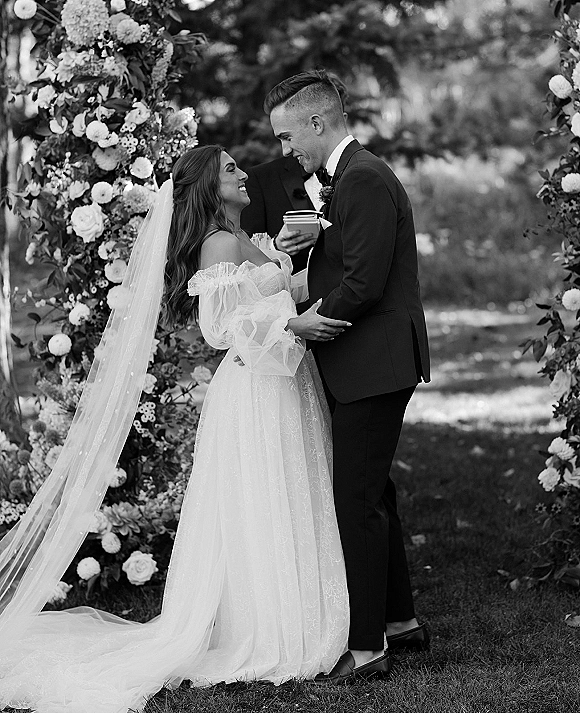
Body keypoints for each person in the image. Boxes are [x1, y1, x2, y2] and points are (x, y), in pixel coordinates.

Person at [0, 145, 352, 713]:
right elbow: (222, 328)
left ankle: (304, 614)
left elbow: (264, 297)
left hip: (284, 382)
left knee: (289, 493)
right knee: (266, 500)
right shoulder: (217, 242)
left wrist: (299, 269)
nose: (243, 174)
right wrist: (297, 322)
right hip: (257, 391)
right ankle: (277, 629)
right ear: (212, 188)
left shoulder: (245, 239)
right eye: (230, 169)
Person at [266, 70, 431, 684]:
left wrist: (308, 322)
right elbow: (351, 262)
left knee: (355, 501)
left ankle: (366, 649)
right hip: (372, 360)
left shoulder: (361, 179)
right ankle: (400, 624)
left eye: (288, 137)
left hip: (374, 362)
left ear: (318, 122)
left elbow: (364, 282)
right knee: (375, 492)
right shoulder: (350, 178)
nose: (287, 150)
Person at [241, 75, 349, 274]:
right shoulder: (261, 179)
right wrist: (276, 247)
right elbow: (241, 255)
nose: (285, 150)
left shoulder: (357, 174)